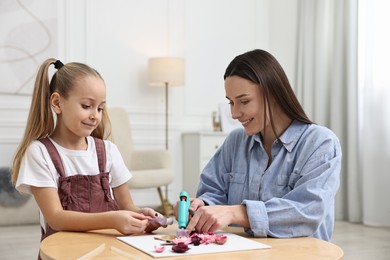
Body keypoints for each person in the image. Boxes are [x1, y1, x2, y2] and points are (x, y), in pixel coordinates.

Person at [176, 49, 341, 241]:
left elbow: (308, 211)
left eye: (244, 101)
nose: (235, 114)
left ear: (274, 94)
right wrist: (202, 206)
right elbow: (213, 190)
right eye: (231, 103)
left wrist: (238, 213)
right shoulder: (235, 141)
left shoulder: (321, 143)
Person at [11, 58, 166, 242]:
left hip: (107, 249)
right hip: (63, 250)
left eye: (100, 108)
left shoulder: (108, 150)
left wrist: (142, 216)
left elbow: (127, 206)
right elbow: (56, 218)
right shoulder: (39, 153)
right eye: (86, 106)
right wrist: (112, 219)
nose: (95, 116)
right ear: (57, 103)